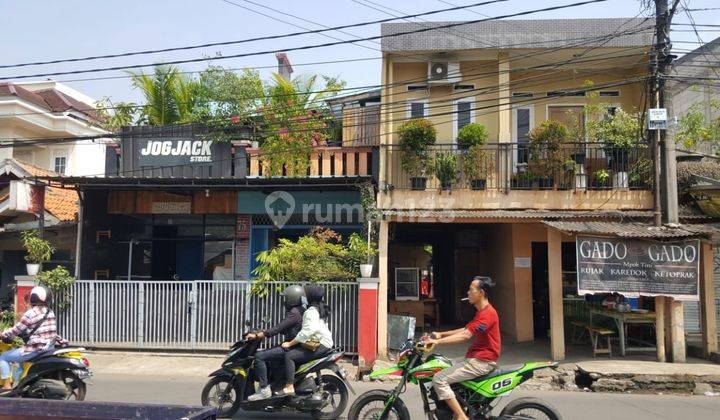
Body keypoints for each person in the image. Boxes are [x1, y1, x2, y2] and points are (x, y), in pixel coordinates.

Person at [425, 277, 501, 420]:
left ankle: (461, 416)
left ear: (481, 293)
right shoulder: (482, 312)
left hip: (481, 361)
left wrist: (437, 343)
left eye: (471, 289)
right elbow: (466, 328)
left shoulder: (487, 314)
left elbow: (465, 336)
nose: (468, 292)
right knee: (442, 364)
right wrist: (441, 334)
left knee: (439, 379)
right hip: (475, 358)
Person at [0, 286, 67, 393]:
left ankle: (7, 387)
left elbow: (17, 329)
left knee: (3, 357)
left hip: (36, 349)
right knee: (20, 360)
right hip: (49, 347)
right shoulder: (50, 312)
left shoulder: (31, 313)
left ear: (33, 298)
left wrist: (3, 334)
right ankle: (20, 385)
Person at [247, 285, 305, 401]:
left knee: (259, 356)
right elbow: (285, 328)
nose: (284, 301)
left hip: (291, 347)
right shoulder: (299, 310)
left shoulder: (294, 313)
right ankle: (273, 384)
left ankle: (264, 389)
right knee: (270, 356)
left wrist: (259, 335)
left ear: (291, 299)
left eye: (286, 298)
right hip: (293, 344)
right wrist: (266, 331)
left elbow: (278, 328)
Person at [277, 284, 333, 397]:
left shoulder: (311, 312)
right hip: (323, 343)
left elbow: (307, 332)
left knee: (290, 356)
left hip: (320, 345)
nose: (302, 297)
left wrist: (290, 343)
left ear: (310, 296)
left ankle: (289, 386)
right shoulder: (315, 309)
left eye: (304, 295)